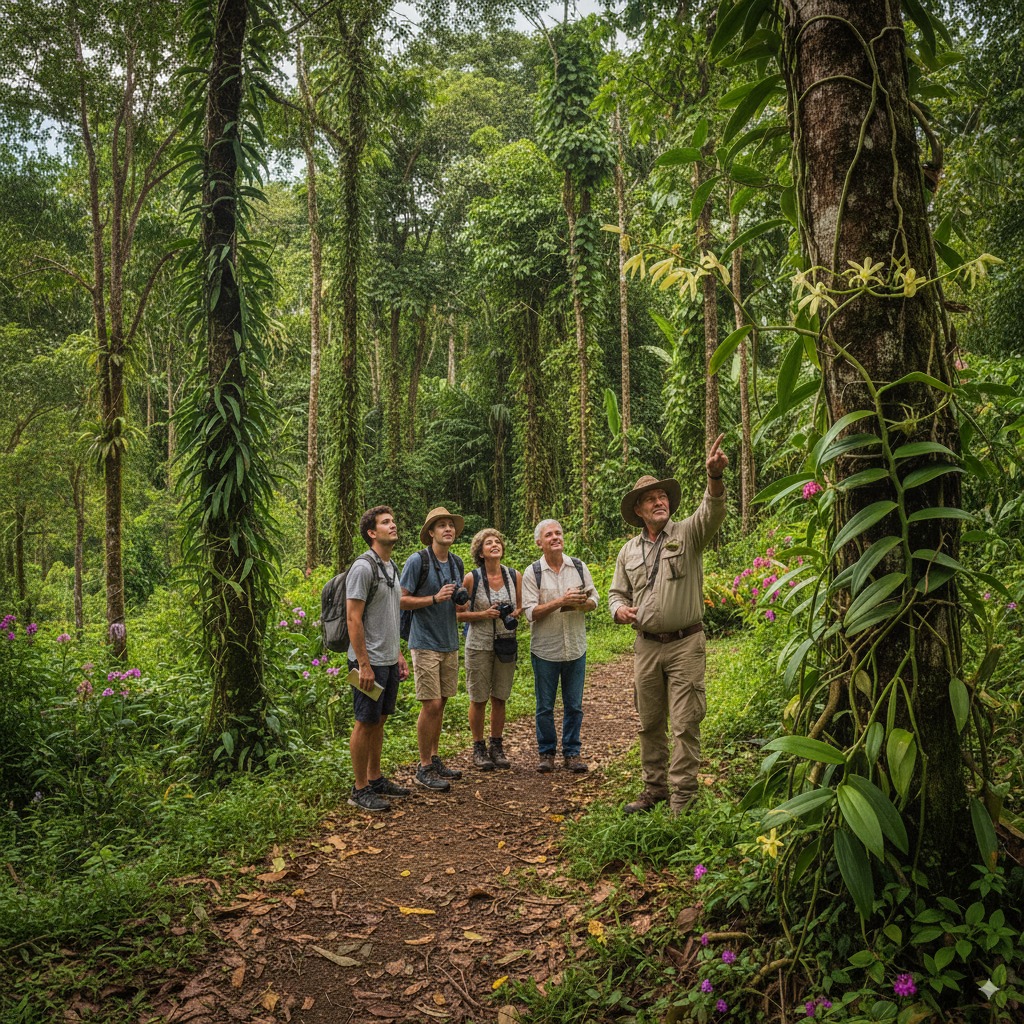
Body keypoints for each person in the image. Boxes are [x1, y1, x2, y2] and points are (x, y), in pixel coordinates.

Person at [607, 435, 729, 815]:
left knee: (685, 722)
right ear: (639, 510)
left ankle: (683, 799)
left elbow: (712, 512)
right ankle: (654, 790)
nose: (660, 502)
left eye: (663, 497)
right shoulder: (628, 551)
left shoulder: (688, 533)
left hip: (685, 644)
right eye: (651, 499)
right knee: (649, 723)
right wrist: (618, 610)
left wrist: (714, 478)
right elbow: (616, 593)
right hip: (646, 647)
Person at [346, 505, 411, 813]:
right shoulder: (363, 567)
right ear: (372, 532)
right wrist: (363, 664)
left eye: (393, 520)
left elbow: (389, 615)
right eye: (386, 522)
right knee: (365, 721)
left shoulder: (391, 566)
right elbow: (353, 617)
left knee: (380, 719)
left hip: (387, 659)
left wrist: (397, 653)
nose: (393, 525)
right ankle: (359, 789)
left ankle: (375, 778)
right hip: (367, 661)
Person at [522, 519, 599, 774]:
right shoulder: (533, 572)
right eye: (549, 535)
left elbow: (594, 598)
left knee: (574, 705)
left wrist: (583, 603)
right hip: (545, 649)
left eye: (558, 533)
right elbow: (530, 612)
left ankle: (572, 753)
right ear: (539, 542)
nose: (555, 537)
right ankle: (546, 753)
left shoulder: (578, 566)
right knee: (545, 706)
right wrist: (560, 601)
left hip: (575, 646)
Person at [401, 507, 468, 792]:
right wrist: (434, 598)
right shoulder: (418, 561)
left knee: (442, 702)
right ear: (431, 532)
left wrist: (460, 601)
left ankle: (435, 757)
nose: (448, 529)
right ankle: (424, 766)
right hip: (424, 641)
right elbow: (401, 599)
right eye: (441, 525)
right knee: (431, 705)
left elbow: (457, 602)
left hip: (449, 640)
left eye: (450, 525)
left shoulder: (456, 562)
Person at [457, 528, 523, 770]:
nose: (495, 545)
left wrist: (514, 613)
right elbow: (458, 614)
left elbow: (521, 606)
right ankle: (478, 747)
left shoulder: (514, 575)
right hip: (478, 644)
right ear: (480, 552)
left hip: (506, 642)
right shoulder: (471, 578)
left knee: (500, 697)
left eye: (497, 541)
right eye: (488, 543)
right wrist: (484, 614)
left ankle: (497, 745)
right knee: (478, 698)